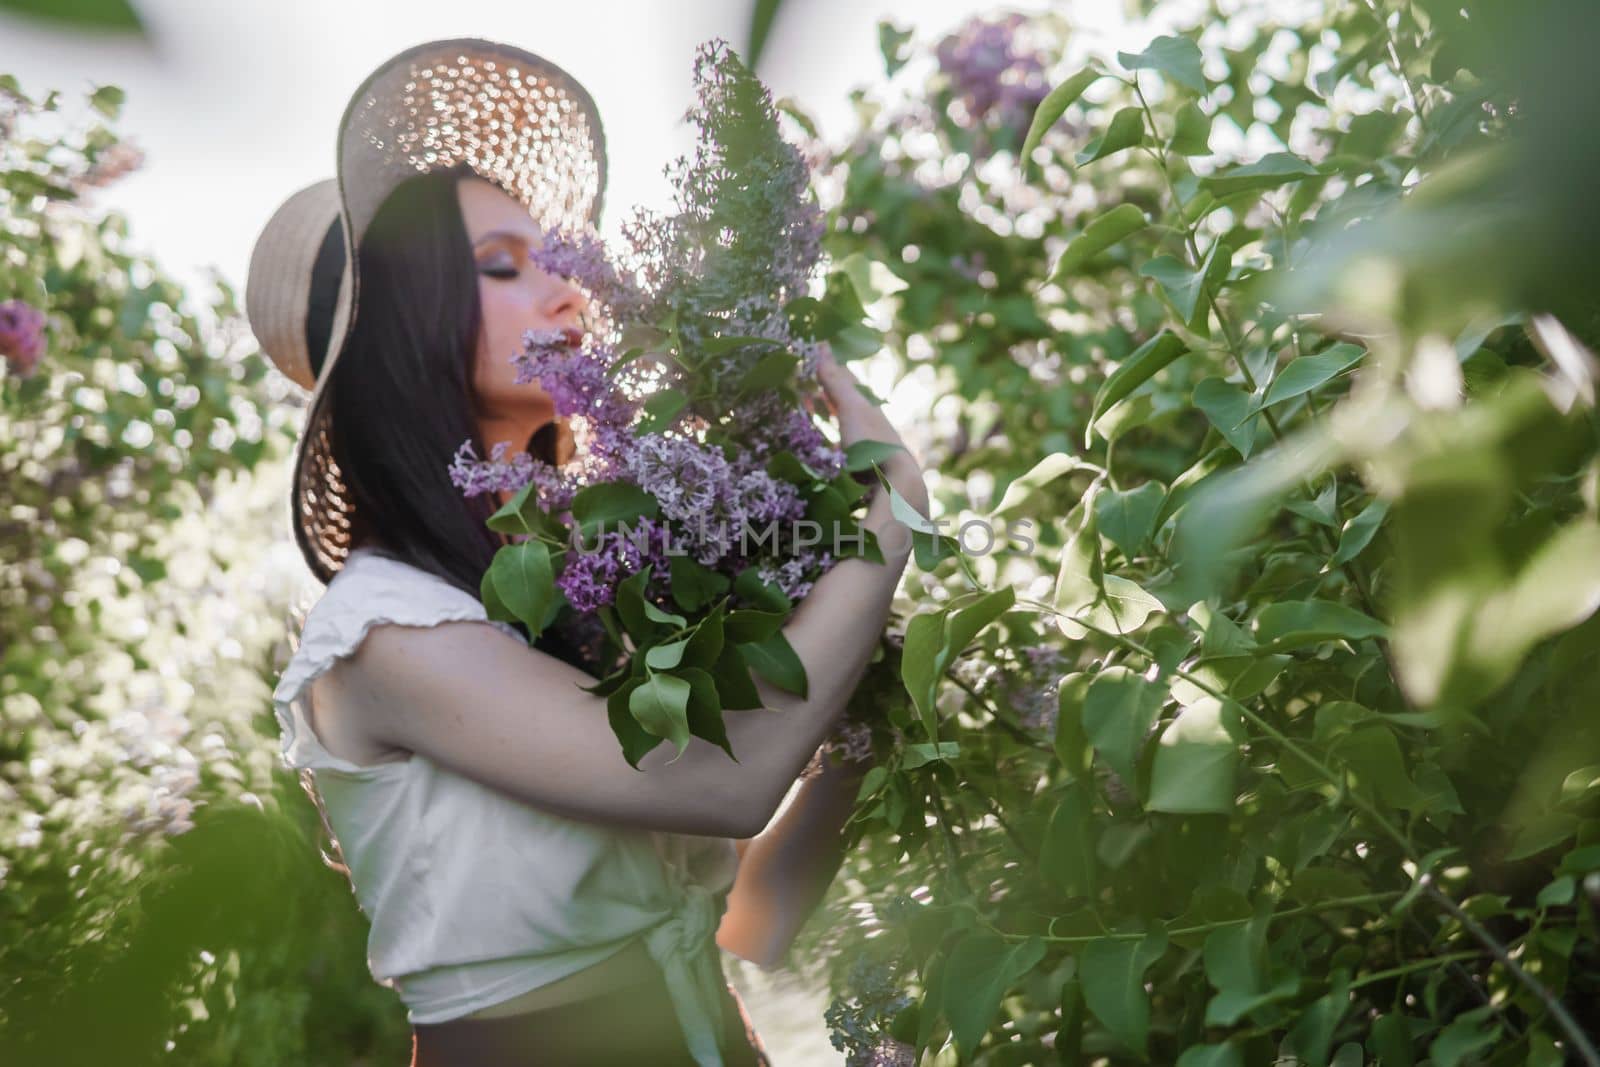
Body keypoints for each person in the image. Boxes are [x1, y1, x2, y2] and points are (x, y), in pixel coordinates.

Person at [244, 39, 929, 1067]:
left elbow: (745, 920)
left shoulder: (588, 586)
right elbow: (721, 784)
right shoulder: (382, 634)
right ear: (406, 333)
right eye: (502, 266)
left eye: (555, 254)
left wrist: (861, 709)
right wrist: (889, 517)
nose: (567, 288)